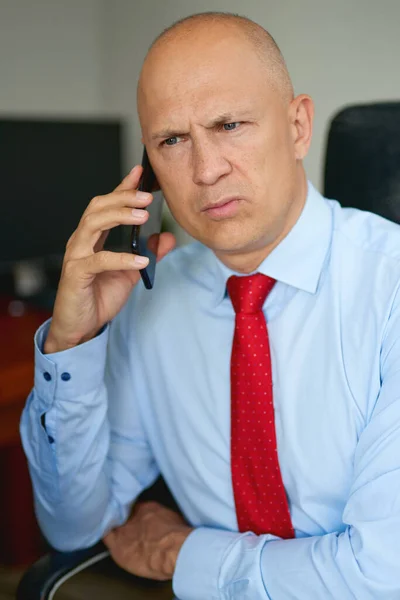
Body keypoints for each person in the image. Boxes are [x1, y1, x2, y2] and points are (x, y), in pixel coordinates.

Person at [20, 11, 400, 599]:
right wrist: (72, 345)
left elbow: (383, 576)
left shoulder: (390, 288)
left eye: (230, 125)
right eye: (172, 140)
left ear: (298, 126)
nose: (205, 170)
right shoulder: (151, 298)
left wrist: (185, 554)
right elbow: (73, 524)